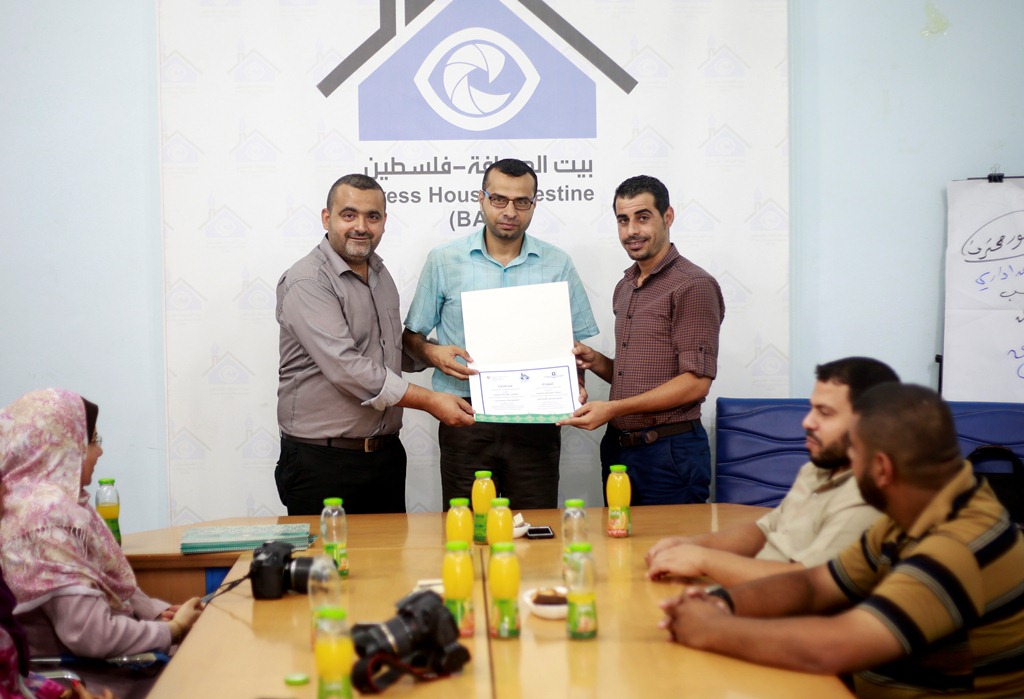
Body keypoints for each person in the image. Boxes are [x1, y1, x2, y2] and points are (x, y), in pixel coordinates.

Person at [660, 384, 1024, 698]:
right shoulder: (912, 513)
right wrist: (722, 602)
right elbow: (815, 585)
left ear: (882, 469)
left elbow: (833, 648)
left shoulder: (955, 546)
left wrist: (711, 628)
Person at [403, 158, 599, 511]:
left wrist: (577, 382)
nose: (510, 211)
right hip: (466, 417)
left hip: (536, 420)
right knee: (467, 526)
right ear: (481, 199)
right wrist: (433, 353)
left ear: (534, 204)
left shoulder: (558, 263)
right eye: (499, 199)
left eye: (522, 201)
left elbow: (574, 346)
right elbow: (410, 337)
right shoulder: (444, 260)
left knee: (536, 527)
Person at [275, 174, 475, 515]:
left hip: (385, 457)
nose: (361, 227)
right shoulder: (308, 281)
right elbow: (348, 368)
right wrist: (430, 400)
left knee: (389, 552)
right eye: (348, 215)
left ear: (384, 221)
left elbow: (385, 345)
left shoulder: (380, 274)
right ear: (326, 218)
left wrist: (431, 353)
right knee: (326, 553)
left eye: (372, 216)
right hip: (322, 462)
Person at [0, 389, 203, 699]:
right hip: (93, 682)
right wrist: (172, 630)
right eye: (93, 440)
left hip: (115, 665)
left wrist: (158, 613)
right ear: (62, 446)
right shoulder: (46, 521)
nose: (100, 452)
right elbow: (92, 634)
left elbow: (109, 589)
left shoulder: (54, 505)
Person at [645, 357, 897, 585]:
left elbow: (808, 584)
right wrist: (693, 544)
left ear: (870, 424)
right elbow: (766, 530)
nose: (807, 421)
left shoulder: (867, 496)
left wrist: (705, 561)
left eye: (825, 413)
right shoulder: (817, 469)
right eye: (812, 409)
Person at [559, 175, 724, 505]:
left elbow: (696, 383)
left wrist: (613, 408)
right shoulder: (625, 287)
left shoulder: (693, 285)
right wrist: (597, 362)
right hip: (619, 450)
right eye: (623, 220)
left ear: (668, 217)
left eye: (643, 217)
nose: (631, 230)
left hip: (669, 453)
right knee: (619, 540)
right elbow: (639, 377)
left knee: (671, 541)